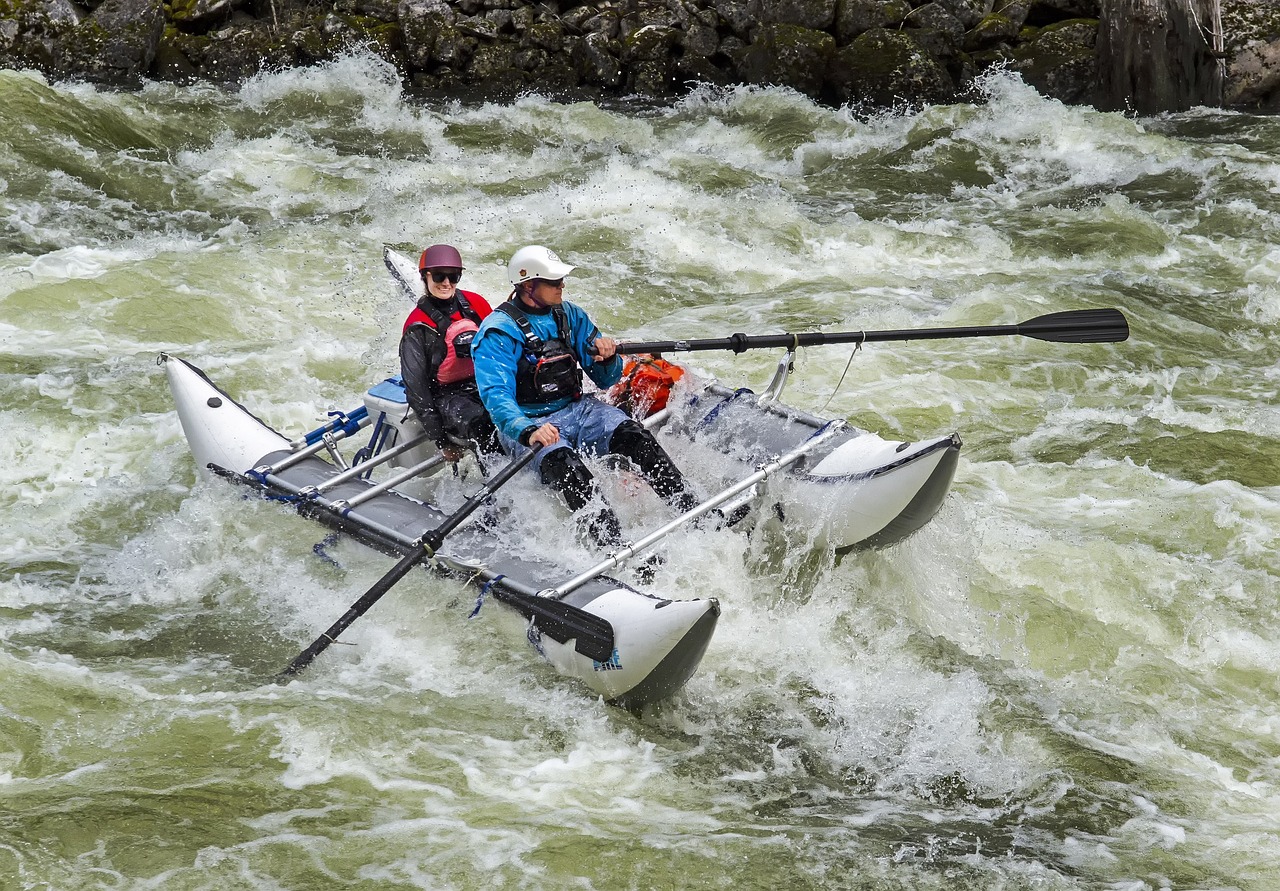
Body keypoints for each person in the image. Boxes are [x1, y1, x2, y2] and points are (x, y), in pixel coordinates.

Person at [471, 244, 697, 548]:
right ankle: (613, 548)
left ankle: (692, 511)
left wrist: (607, 358)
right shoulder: (498, 332)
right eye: (553, 281)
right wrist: (528, 431)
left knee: (636, 436)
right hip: (528, 423)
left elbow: (606, 379)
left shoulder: (570, 316)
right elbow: (496, 397)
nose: (562, 285)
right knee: (569, 468)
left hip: (578, 409)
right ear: (528, 286)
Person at [399, 244, 500, 462]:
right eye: (438, 276)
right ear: (425, 277)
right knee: (483, 424)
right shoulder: (417, 326)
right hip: (446, 397)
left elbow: (503, 350)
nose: (446, 283)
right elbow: (417, 389)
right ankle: (499, 487)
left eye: (453, 276)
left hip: (484, 383)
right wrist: (441, 441)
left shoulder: (477, 304)